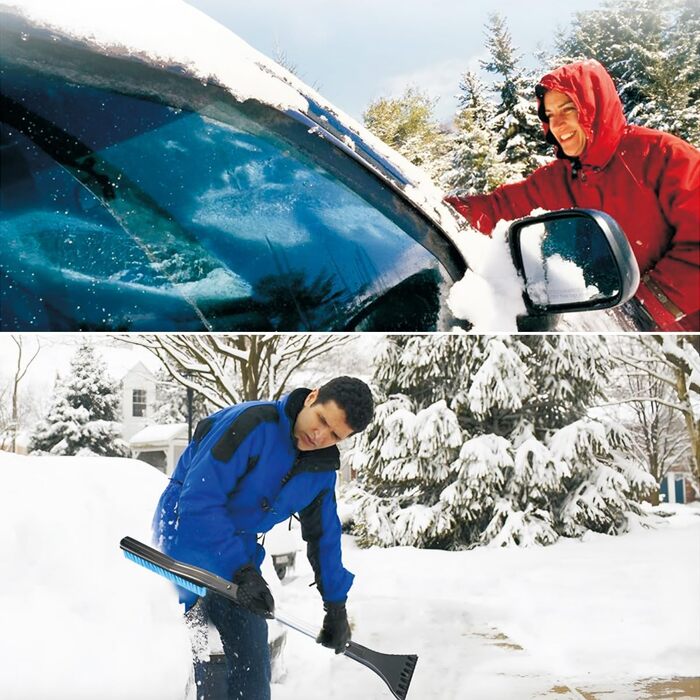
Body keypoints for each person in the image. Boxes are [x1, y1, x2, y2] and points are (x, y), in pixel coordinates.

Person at [152, 376, 374, 700]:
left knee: (253, 646)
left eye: (335, 435)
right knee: (186, 649)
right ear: (312, 398)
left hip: (236, 548)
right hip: (181, 533)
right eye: (322, 420)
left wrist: (335, 606)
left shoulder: (321, 473)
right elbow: (198, 500)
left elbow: (325, 536)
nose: (319, 435)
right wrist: (241, 569)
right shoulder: (252, 424)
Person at [444, 59, 700, 331]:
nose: (559, 125)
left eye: (568, 110)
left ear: (595, 107)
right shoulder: (558, 179)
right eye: (550, 115)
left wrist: (646, 308)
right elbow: (496, 208)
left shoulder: (662, 156)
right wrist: (419, 206)